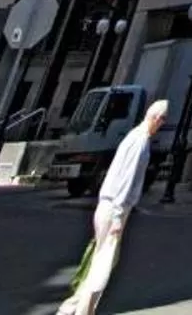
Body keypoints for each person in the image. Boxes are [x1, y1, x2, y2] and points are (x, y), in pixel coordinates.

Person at [57, 100, 168, 315]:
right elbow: (126, 179)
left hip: (107, 205)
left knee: (98, 259)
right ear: (155, 118)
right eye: (162, 120)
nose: (161, 125)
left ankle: (74, 308)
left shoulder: (133, 137)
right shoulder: (140, 142)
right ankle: (80, 311)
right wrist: (118, 217)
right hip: (115, 208)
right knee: (103, 266)